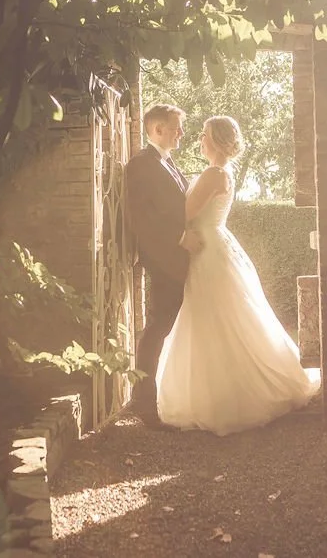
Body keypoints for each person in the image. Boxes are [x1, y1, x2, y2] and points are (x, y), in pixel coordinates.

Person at [155, 115, 319, 436]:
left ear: (216, 140)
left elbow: (184, 214)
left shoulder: (214, 174)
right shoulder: (220, 172)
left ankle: (223, 398)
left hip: (206, 250)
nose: (199, 140)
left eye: (204, 135)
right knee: (219, 318)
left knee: (211, 319)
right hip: (215, 244)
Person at [123, 104, 202, 428]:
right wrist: (180, 237)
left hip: (179, 260)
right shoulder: (141, 165)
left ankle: (174, 396)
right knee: (158, 327)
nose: (181, 133)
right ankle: (143, 403)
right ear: (157, 130)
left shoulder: (166, 162)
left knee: (171, 327)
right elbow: (143, 218)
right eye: (175, 127)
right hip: (164, 260)